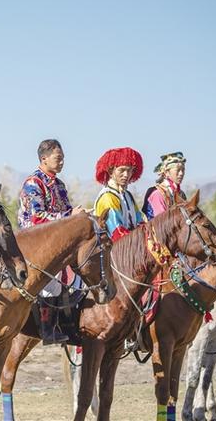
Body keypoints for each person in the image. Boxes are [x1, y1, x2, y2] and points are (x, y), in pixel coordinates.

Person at [18, 139, 82, 344]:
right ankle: (47, 329)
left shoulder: (59, 185)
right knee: (50, 281)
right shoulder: (33, 183)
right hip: (33, 243)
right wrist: (70, 216)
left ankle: (69, 325)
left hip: (55, 243)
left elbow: (66, 211)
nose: (62, 162)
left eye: (63, 158)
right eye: (58, 158)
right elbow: (37, 217)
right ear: (44, 158)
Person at [93, 147, 145, 241]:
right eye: (122, 170)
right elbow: (116, 232)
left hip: (132, 243)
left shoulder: (128, 195)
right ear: (110, 171)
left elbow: (140, 222)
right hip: (114, 247)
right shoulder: (107, 197)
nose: (126, 175)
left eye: (130, 170)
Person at [143, 152, 187, 219]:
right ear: (166, 173)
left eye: (183, 170)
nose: (181, 173)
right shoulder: (158, 194)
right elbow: (162, 222)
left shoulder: (181, 194)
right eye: (177, 170)